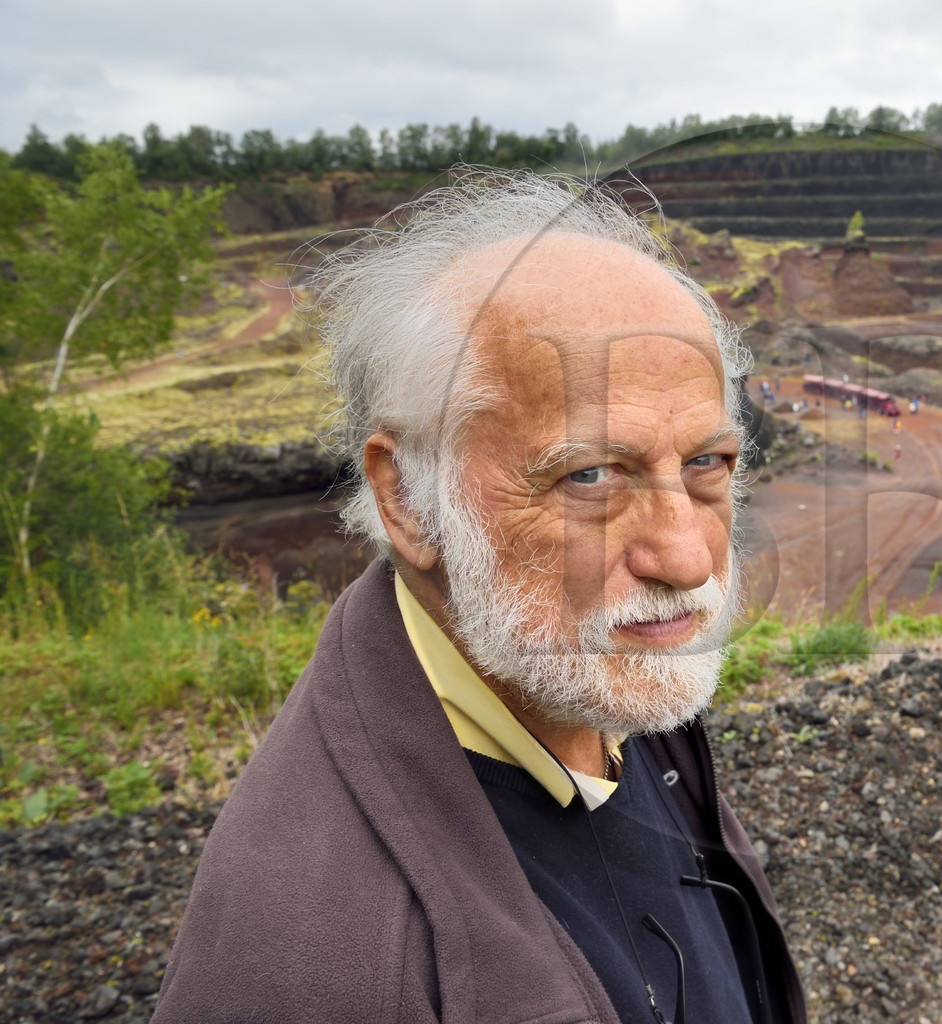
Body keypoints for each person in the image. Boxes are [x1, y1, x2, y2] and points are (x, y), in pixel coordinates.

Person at [153, 172, 806, 1023]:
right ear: (409, 499)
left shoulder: (589, 670)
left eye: (705, 464)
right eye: (591, 476)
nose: (686, 559)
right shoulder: (320, 970)